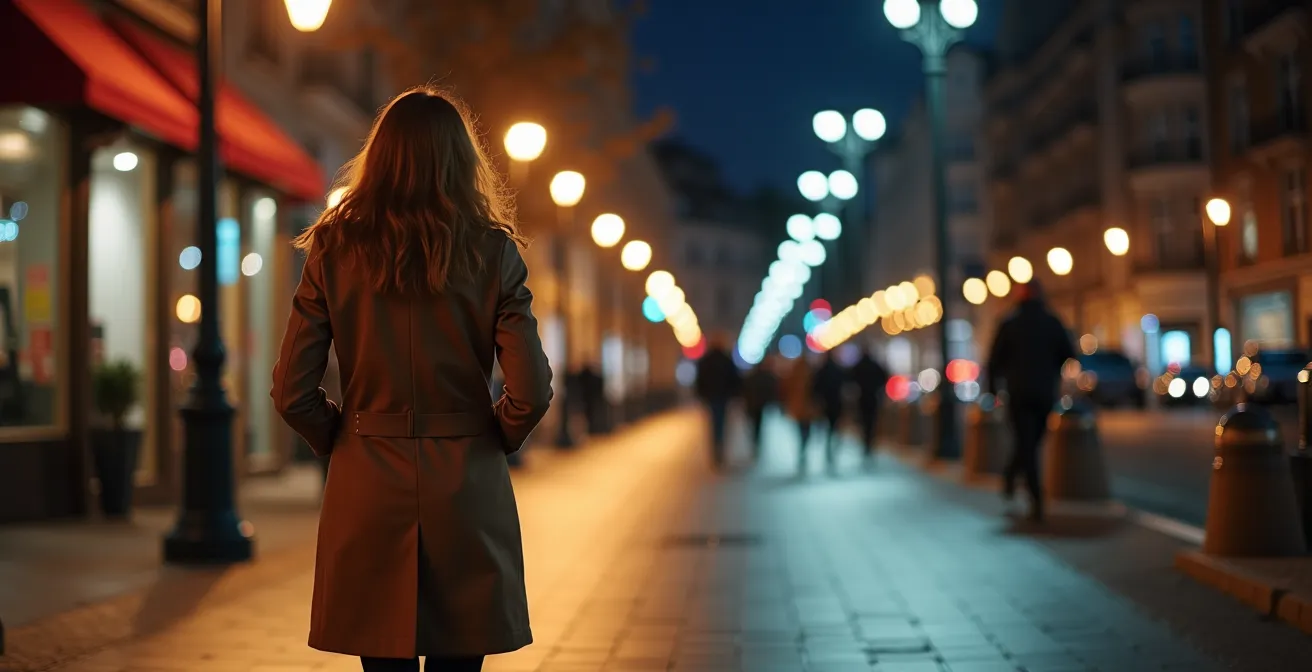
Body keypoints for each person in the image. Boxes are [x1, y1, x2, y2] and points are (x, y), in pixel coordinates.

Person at [271, 86, 553, 672]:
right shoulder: (493, 252)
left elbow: (292, 390)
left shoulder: (333, 247)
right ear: (461, 160)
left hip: (368, 478)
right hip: (466, 480)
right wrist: (491, 436)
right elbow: (531, 391)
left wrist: (345, 440)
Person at [986, 280, 1075, 523]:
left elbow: (993, 361)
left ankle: (1014, 478)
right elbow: (1069, 353)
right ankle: (1035, 496)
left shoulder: (1010, 323)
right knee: (1032, 443)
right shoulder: (1052, 322)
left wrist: (994, 390)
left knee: (1025, 443)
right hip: (1045, 392)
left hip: (1018, 392)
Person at [694, 334, 741, 467]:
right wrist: (735, 394)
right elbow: (734, 379)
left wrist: (701, 395)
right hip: (723, 396)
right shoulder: (727, 359)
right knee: (721, 423)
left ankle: (716, 449)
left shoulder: (706, 360)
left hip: (711, 396)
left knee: (714, 423)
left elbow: (700, 379)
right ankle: (720, 449)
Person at [851, 348, 890, 463]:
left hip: (862, 397)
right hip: (872, 398)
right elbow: (884, 376)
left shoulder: (859, 365)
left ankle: (865, 442)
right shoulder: (874, 365)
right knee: (871, 422)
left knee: (863, 421)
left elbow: (851, 378)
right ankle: (869, 442)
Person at [741, 355, 780, 462]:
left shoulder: (751, 377)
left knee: (755, 425)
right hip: (759, 404)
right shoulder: (765, 377)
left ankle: (756, 441)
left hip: (753, 404)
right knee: (758, 424)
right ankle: (757, 442)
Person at [812, 351, 847, 470]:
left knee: (825, 425)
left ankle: (828, 445)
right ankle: (832, 445)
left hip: (825, 403)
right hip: (836, 403)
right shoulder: (838, 370)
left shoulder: (821, 370)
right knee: (834, 426)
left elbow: (815, 387)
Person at [782, 356, 817, 474]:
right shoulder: (808, 375)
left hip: (800, 408)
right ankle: (803, 447)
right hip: (805, 408)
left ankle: (802, 448)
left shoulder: (795, 376)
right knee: (806, 431)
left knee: (802, 430)